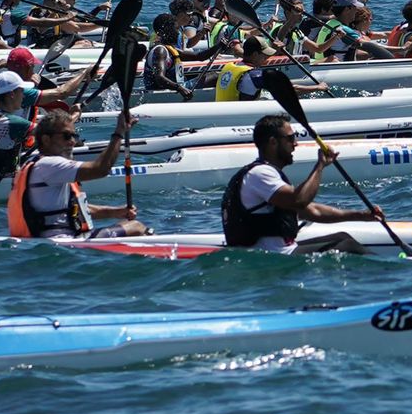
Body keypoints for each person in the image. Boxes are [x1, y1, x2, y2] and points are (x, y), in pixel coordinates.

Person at [220, 113, 384, 254]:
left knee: (342, 237)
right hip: (271, 256)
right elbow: (300, 200)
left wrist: (361, 215)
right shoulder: (260, 174)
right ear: (273, 143)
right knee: (346, 246)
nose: (296, 143)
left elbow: (312, 211)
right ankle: (387, 272)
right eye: (290, 138)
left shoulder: (267, 173)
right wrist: (320, 166)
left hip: (280, 251)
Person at [6, 109, 148, 238]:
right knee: (137, 227)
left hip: (48, 242)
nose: (73, 142)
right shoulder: (50, 165)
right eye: (66, 136)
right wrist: (118, 134)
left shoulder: (36, 165)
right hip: (62, 242)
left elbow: (76, 210)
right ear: (46, 140)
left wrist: (116, 212)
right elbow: (100, 169)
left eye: (74, 135)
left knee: (126, 223)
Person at [142, 14, 196, 100]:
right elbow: (159, 77)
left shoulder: (169, 48)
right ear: (165, 31)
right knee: (214, 77)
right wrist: (180, 88)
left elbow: (199, 56)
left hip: (173, 88)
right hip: (160, 94)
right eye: (175, 29)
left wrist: (219, 46)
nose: (177, 33)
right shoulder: (160, 51)